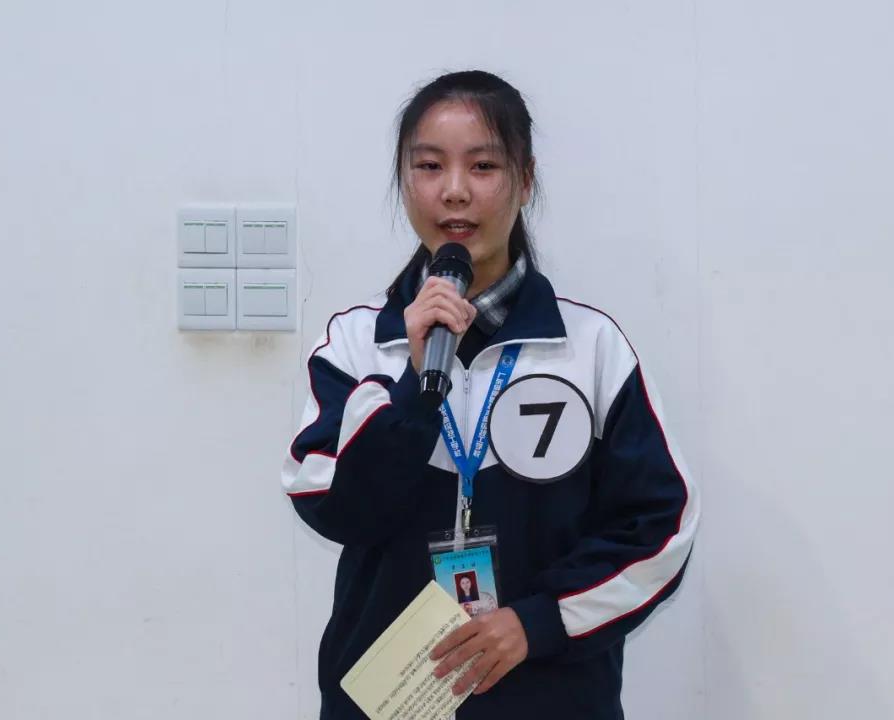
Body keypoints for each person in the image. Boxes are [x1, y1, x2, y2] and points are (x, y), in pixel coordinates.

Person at [282, 70, 700, 720]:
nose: (454, 190)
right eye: (429, 166)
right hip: (392, 702)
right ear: (404, 180)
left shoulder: (590, 348)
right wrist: (413, 393)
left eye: (483, 166)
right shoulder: (356, 345)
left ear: (525, 180)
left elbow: (661, 526)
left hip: (554, 700)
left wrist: (540, 621)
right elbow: (336, 511)